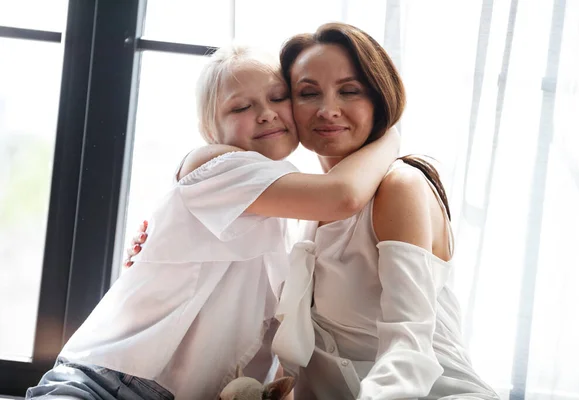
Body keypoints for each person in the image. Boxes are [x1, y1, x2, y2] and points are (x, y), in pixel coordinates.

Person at [128, 23, 499, 399]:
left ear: (380, 98)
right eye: (307, 93)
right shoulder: (302, 215)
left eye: (350, 91)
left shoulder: (399, 187)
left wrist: (391, 137)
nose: (328, 109)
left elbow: (410, 351)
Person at [26, 44, 400, 400]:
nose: (266, 113)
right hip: (105, 382)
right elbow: (342, 197)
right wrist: (388, 134)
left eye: (277, 97)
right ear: (211, 130)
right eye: (241, 107)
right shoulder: (215, 166)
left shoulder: (283, 211)